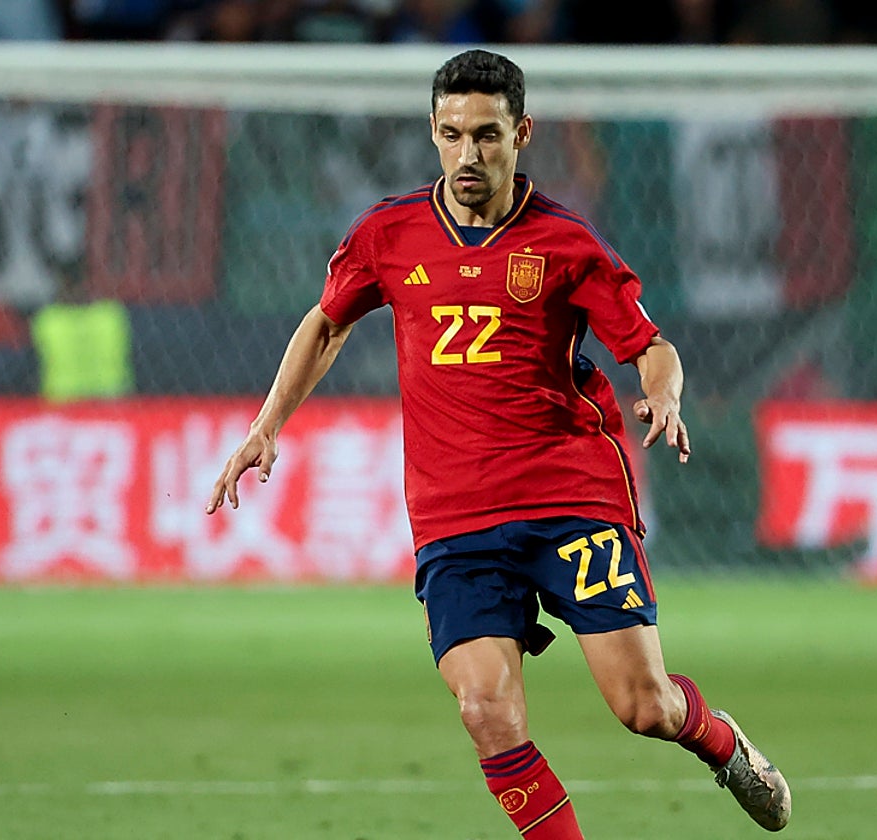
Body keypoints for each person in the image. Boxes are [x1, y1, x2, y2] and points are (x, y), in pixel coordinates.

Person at [206, 49, 791, 837]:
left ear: (522, 133)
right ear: (433, 132)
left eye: (486, 134)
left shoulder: (565, 242)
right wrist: (266, 423)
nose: (468, 154)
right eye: (452, 134)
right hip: (455, 516)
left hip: (568, 496)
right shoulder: (389, 233)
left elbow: (650, 345)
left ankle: (721, 744)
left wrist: (663, 393)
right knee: (485, 708)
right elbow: (328, 322)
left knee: (644, 707)